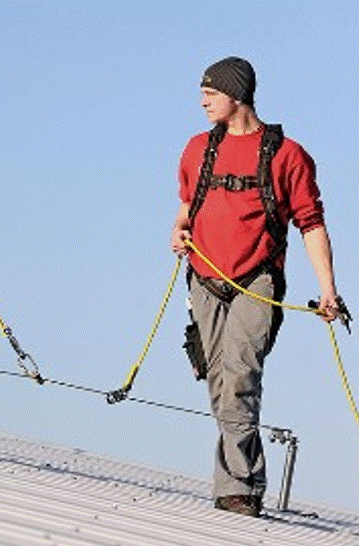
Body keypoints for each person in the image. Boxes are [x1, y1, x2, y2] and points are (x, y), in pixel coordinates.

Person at [170, 57, 340, 517]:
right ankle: (239, 480)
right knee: (220, 382)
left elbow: (311, 224)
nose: (202, 100)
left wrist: (328, 290)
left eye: (211, 92)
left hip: (258, 281)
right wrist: (177, 231)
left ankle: (240, 487)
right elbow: (188, 204)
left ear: (237, 95)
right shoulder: (195, 149)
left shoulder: (288, 156)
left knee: (241, 376)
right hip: (204, 278)